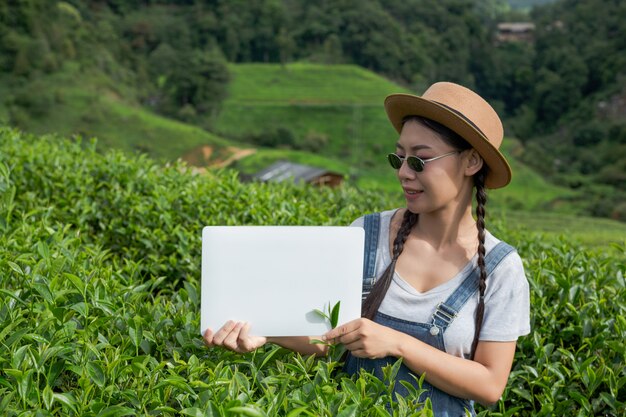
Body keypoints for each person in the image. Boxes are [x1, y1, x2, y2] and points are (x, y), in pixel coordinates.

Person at [203, 82, 531, 417]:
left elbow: (490, 385)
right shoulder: (366, 234)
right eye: (399, 157)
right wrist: (265, 331)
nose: (403, 172)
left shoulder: (500, 268)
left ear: (472, 161)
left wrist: (396, 343)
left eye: (420, 160)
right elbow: (326, 337)